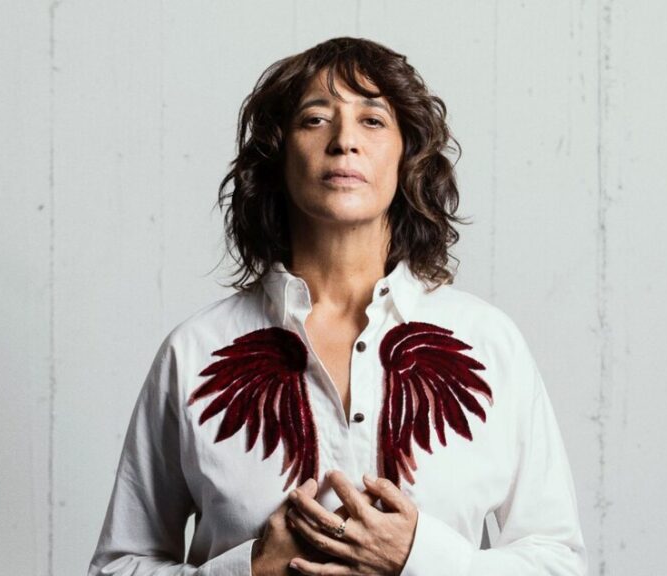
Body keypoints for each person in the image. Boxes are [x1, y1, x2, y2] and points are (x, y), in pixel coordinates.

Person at [87, 36, 588, 576]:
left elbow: (557, 562)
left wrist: (420, 559)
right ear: (279, 155)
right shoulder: (195, 351)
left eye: (372, 120)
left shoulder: (488, 343)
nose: (345, 140)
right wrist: (251, 570)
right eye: (315, 119)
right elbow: (117, 567)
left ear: (407, 155)